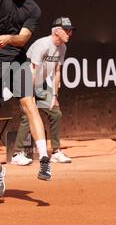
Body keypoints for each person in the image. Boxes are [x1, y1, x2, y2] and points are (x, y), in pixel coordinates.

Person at [0, 0, 50, 199]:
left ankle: (44, 158)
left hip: (18, 60)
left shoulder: (34, 9)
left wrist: (7, 39)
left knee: (28, 104)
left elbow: (22, 39)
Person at [12, 17, 74, 166]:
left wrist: (54, 95)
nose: (70, 33)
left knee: (55, 112)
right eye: (67, 30)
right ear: (57, 31)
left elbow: (57, 72)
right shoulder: (43, 44)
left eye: (70, 30)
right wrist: (30, 94)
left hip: (40, 84)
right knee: (29, 116)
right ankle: (16, 154)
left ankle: (56, 152)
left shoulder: (62, 48)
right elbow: (32, 70)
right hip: (25, 81)